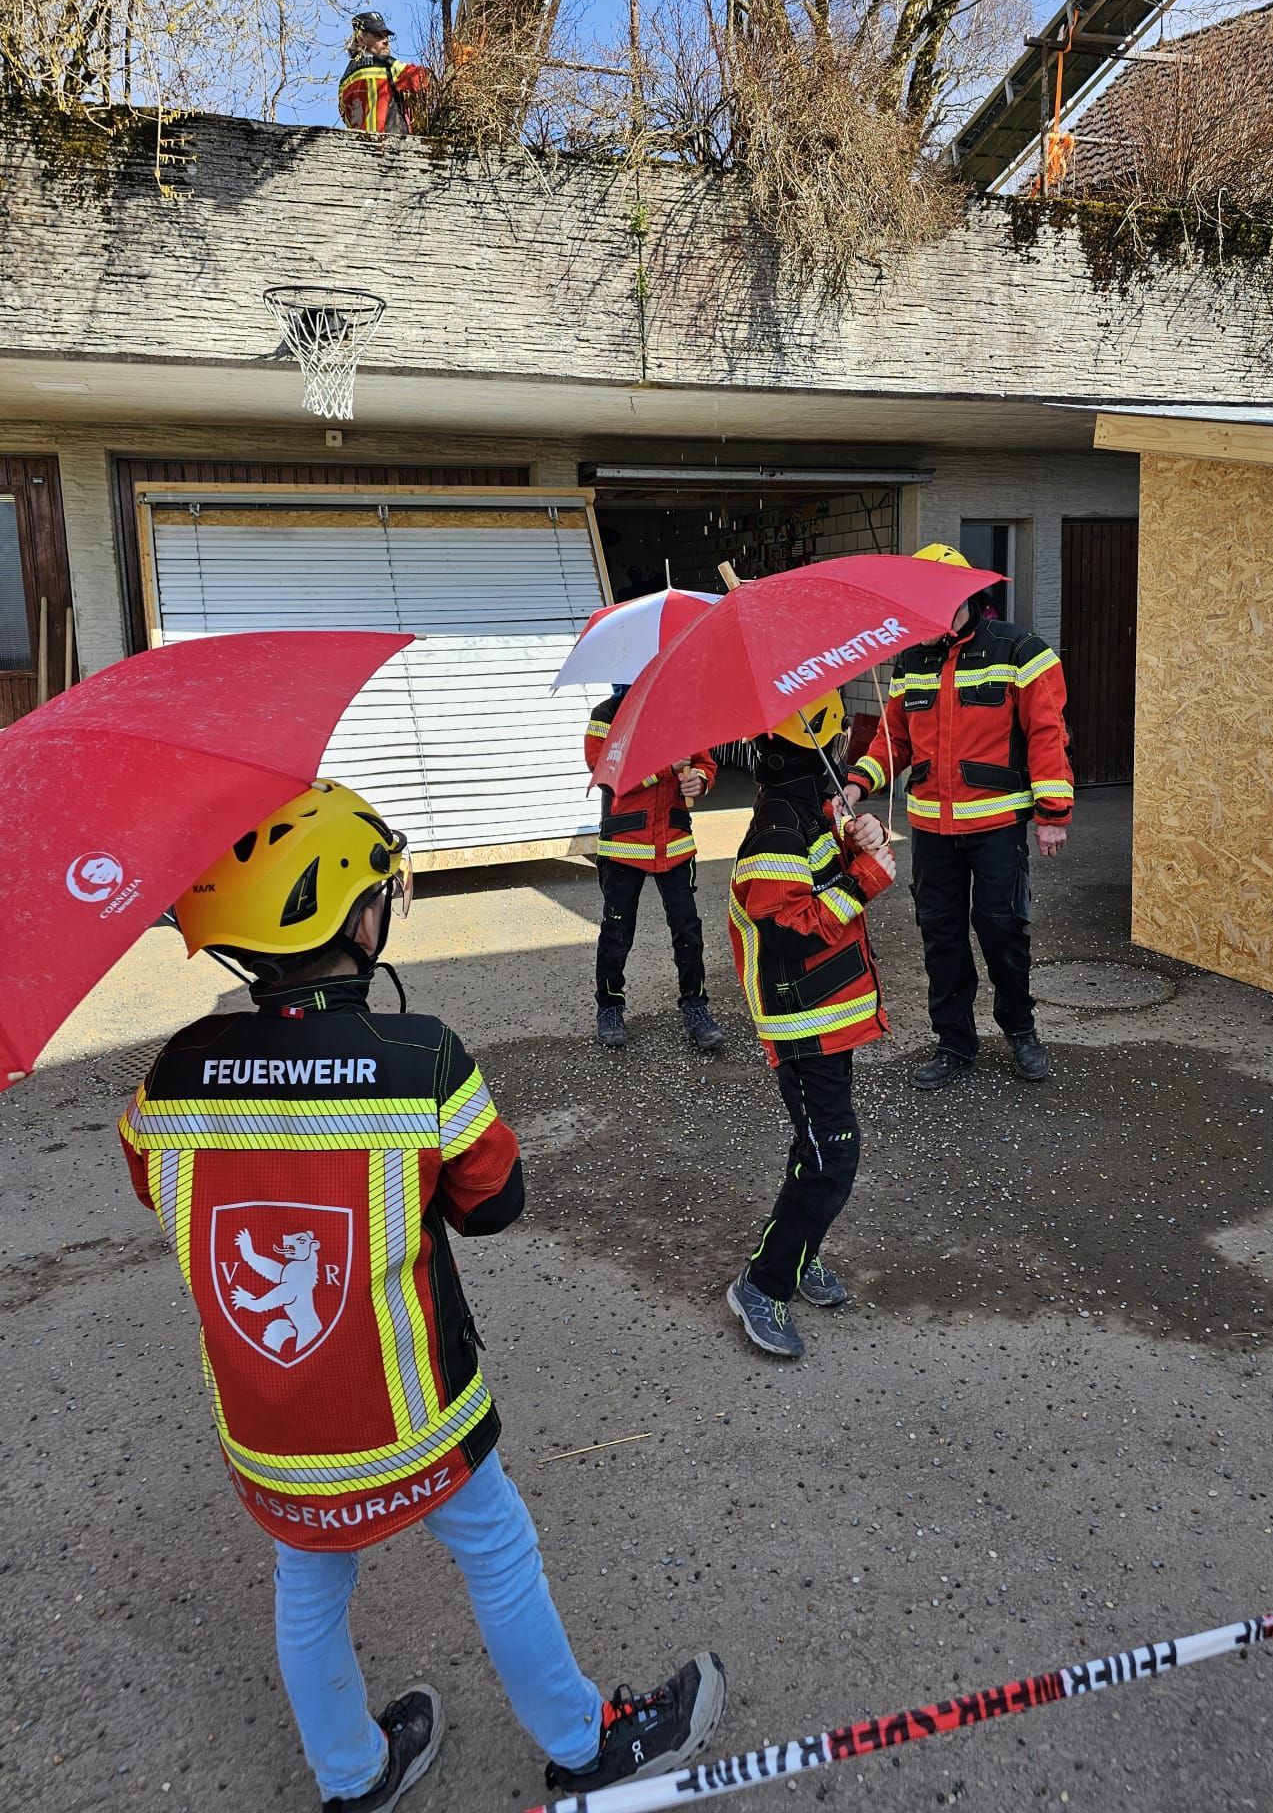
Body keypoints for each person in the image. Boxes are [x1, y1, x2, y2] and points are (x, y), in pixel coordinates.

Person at [119, 780, 726, 1810]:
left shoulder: (171, 1073)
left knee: (308, 1583)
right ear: (359, 921)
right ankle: (585, 1745)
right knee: (497, 1548)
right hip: (413, 1416)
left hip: (271, 1430)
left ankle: (353, 1776)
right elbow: (495, 1202)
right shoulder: (420, 1058)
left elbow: (154, 1182)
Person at [842, 542, 1073, 1089]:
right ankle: (953, 1043)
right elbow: (893, 742)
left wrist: (1053, 813)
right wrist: (856, 784)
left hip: (996, 826)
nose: (914, 619)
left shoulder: (1020, 651)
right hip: (931, 831)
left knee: (1002, 931)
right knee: (940, 936)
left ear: (961, 599)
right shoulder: (910, 663)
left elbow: (1047, 734)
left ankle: (1021, 1031)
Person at [725, 693, 895, 1359]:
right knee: (833, 1157)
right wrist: (865, 881)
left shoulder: (807, 811)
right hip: (804, 1024)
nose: (846, 747)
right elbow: (789, 931)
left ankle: (797, 1254)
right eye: (839, 736)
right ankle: (763, 1284)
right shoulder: (777, 828)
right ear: (820, 744)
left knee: (816, 1148)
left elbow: (818, 878)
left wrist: (855, 840)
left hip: (828, 1016)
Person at [584, 685, 727, 1053]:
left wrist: (700, 780)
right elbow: (604, 771)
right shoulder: (606, 715)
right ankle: (610, 1008)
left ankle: (695, 1007)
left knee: (688, 931)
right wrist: (665, 768)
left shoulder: (681, 713)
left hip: (675, 845)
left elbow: (705, 763)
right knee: (616, 932)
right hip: (623, 846)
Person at [338, 11, 433, 136]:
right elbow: (422, 79)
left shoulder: (344, 80)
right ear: (361, 39)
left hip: (358, 144)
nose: (386, 41)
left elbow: (346, 116)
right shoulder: (384, 64)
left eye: (386, 36)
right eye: (378, 36)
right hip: (390, 141)